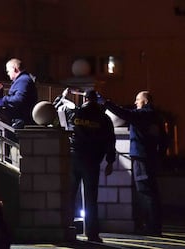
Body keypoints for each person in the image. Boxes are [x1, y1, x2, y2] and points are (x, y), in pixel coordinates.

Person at [101, 91, 163, 235]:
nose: (135, 102)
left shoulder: (144, 115)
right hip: (148, 157)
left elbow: (125, 114)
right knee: (150, 192)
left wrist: (106, 103)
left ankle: (152, 227)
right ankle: (153, 226)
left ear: (146, 101)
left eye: (138, 100)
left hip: (142, 158)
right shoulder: (153, 116)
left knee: (145, 192)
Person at [67, 89, 116, 243]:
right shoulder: (104, 118)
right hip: (92, 161)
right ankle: (92, 233)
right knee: (91, 198)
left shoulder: (75, 114)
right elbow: (110, 141)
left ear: (85, 99)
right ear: (96, 100)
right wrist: (110, 161)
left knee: (69, 196)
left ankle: (67, 228)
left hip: (73, 158)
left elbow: (62, 126)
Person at [0, 58, 38, 129]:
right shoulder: (23, 79)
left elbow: (19, 99)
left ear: (15, 69)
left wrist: (2, 101)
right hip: (20, 119)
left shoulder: (23, 80)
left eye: (8, 71)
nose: (7, 73)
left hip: (21, 121)